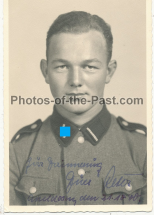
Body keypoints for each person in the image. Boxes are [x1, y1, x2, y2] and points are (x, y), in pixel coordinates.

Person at [9, 11, 147, 206]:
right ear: (45, 71)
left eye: (89, 67)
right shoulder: (16, 154)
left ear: (109, 71)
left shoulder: (144, 150)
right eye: (62, 67)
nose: (75, 81)